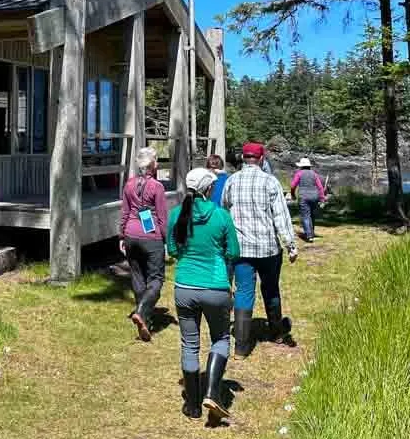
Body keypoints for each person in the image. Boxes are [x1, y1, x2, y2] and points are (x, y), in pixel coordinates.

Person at [167, 167, 240, 422]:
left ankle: (193, 405)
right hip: (216, 287)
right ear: (209, 189)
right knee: (220, 338)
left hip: (185, 287)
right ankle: (211, 392)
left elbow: (173, 249)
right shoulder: (221, 216)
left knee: (190, 343)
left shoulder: (176, 214)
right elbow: (233, 251)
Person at [222, 142, 298, 357]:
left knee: (244, 291)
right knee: (271, 288)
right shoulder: (270, 182)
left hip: (241, 249)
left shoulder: (231, 181)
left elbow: (225, 212)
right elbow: (281, 217)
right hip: (268, 249)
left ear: (243, 159)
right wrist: (290, 245)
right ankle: (276, 332)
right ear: (262, 158)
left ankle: (241, 347)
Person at [119, 146, 168, 342]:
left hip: (131, 234)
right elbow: (162, 217)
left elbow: (124, 212)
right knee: (156, 278)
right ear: (153, 164)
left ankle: (144, 318)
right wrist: (166, 240)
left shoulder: (129, 184)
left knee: (138, 277)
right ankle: (141, 311)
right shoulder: (157, 187)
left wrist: (121, 236)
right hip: (151, 237)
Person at [291, 157, 326, 243]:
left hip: (304, 197)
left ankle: (309, 235)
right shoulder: (314, 174)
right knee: (312, 216)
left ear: (301, 166)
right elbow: (320, 187)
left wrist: (292, 194)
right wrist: (322, 198)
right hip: (314, 197)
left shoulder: (299, 173)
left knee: (305, 216)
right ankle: (311, 233)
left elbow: (293, 186)